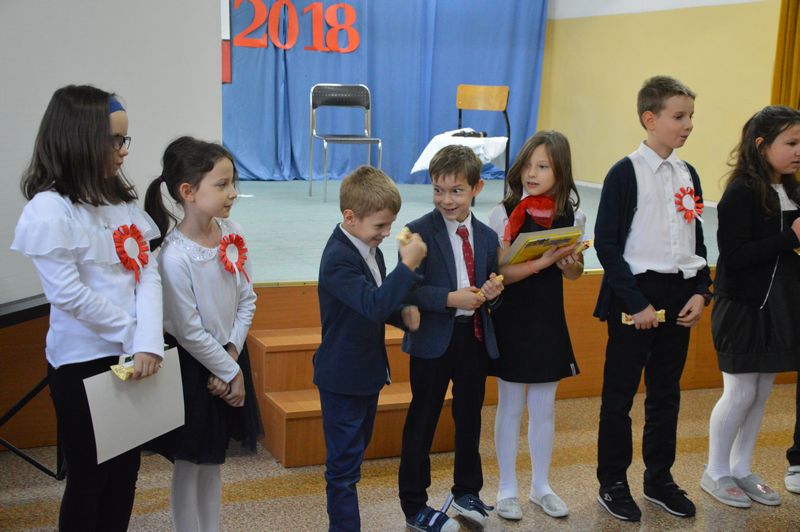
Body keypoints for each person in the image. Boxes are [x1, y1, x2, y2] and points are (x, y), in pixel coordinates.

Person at [10, 85, 163, 531]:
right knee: (89, 477)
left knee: (125, 473)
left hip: (134, 356)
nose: (123, 150)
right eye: (114, 140)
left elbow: (148, 274)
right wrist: (135, 334)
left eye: (124, 139)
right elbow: (68, 294)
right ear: (79, 139)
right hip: (82, 363)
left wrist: (148, 340)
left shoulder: (121, 202)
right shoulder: (50, 209)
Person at [593, 76, 712, 522]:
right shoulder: (625, 172)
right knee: (619, 397)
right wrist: (635, 303)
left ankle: (659, 479)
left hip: (679, 295)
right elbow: (607, 245)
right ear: (650, 119)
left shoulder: (688, 173)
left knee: (666, 394)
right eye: (679, 116)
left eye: (690, 116)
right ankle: (612, 482)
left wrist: (701, 291)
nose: (688, 125)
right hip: (635, 295)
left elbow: (696, 241)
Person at [144, 136, 262, 532]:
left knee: (213, 460)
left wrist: (232, 354)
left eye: (233, 183)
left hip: (228, 355)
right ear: (188, 192)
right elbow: (188, 330)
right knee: (189, 460)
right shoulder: (173, 255)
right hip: (193, 369)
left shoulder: (233, 233)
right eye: (222, 184)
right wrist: (227, 370)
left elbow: (247, 299)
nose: (233, 193)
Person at [313, 165, 427, 532]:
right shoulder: (339, 257)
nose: (387, 233)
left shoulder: (369, 248)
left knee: (354, 457)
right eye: (380, 225)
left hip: (366, 374)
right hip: (343, 378)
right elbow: (373, 304)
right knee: (343, 471)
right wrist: (407, 266)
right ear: (350, 217)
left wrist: (402, 314)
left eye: (390, 224)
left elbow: (374, 302)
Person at [399, 145, 505, 532]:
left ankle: (467, 490)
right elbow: (407, 289)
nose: (446, 200)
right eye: (438, 190)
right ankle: (414, 502)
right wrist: (449, 298)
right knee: (422, 419)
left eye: (457, 191)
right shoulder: (416, 231)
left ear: (477, 188)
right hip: (432, 341)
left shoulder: (488, 237)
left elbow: (493, 286)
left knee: (469, 417)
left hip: (472, 338)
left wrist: (492, 292)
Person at [701, 105, 800, 508]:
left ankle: (741, 468)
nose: (798, 151)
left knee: (760, 393)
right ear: (761, 145)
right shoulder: (741, 191)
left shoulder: (791, 189)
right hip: (742, 307)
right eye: (791, 143)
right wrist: (791, 237)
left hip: (778, 307)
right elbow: (735, 255)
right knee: (740, 391)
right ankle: (715, 471)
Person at [486, 131, 584, 521]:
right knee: (510, 406)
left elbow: (575, 273)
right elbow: (498, 271)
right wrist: (540, 263)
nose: (532, 173)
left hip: (548, 318)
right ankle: (507, 488)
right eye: (528, 165)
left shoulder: (572, 214)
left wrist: (570, 264)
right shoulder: (503, 211)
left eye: (542, 166)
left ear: (561, 171)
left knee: (544, 408)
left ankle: (541, 486)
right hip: (512, 316)